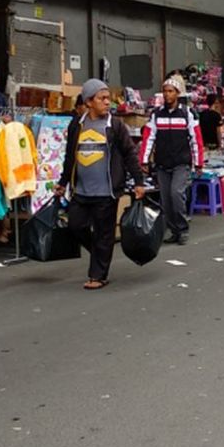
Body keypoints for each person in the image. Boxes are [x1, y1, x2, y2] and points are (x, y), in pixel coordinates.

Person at [55, 79, 145, 290]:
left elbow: (129, 154)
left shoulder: (115, 126)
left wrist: (139, 181)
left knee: (104, 232)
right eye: (102, 99)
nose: (107, 103)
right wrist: (63, 182)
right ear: (88, 102)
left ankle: (98, 275)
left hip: (107, 191)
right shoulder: (77, 124)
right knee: (76, 225)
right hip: (81, 190)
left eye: (108, 99)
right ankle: (100, 251)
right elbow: (70, 157)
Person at [140, 76, 204, 246]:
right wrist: (144, 160)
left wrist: (198, 162)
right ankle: (173, 230)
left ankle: (182, 229)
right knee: (166, 200)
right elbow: (149, 138)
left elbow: (196, 139)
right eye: (165, 91)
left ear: (177, 93)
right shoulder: (156, 114)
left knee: (176, 194)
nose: (167, 95)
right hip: (162, 163)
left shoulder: (187, 114)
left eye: (170, 91)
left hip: (181, 163)